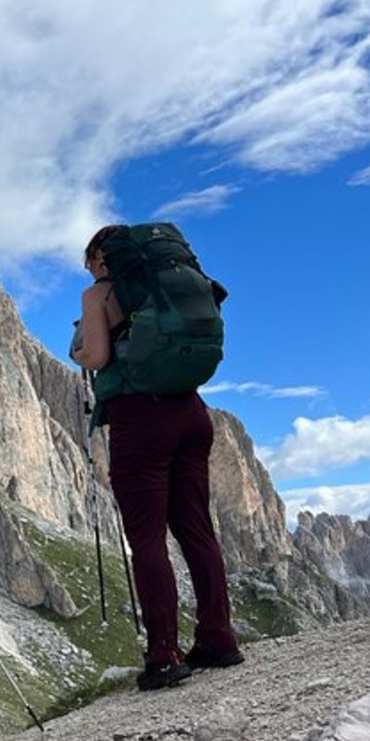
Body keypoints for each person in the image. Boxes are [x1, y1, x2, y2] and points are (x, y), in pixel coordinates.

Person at [74, 225, 243, 692]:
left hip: (141, 419)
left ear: (102, 257)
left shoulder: (99, 294)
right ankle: (218, 637)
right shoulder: (162, 285)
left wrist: (81, 350)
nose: (88, 271)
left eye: (89, 262)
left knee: (147, 538)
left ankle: (164, 655)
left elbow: (96, 356)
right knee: (196, 529)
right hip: (191, 413)